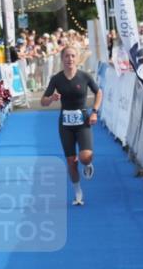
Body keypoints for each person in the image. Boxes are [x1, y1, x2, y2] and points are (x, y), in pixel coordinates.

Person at [40, 46, 102, 207]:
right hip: (65, 124)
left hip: (83, 122)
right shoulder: (56, 79)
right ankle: (78, 192)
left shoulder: (84, 76)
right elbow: (43, 101)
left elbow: (99, 92)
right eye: (67, 56)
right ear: (62, 59)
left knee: (85, 157)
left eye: (73, 56)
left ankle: (88, 164)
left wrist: (94, 111)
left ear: (77, 58)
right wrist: (52, 98)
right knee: (71, 162)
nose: (70, 59)